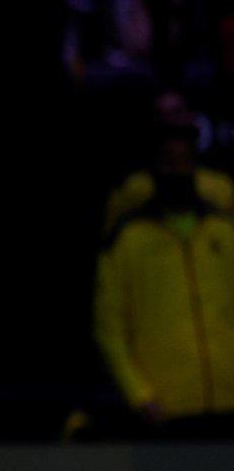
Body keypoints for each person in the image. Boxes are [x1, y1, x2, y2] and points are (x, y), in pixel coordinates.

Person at [94, 119, 234, 436]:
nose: (177, 171)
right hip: (165, 406)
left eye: (184, 162)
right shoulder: (128, 239)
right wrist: (138, 393)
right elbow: (109, 327)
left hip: (228, 399)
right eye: (168, 163)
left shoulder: (222, 231)